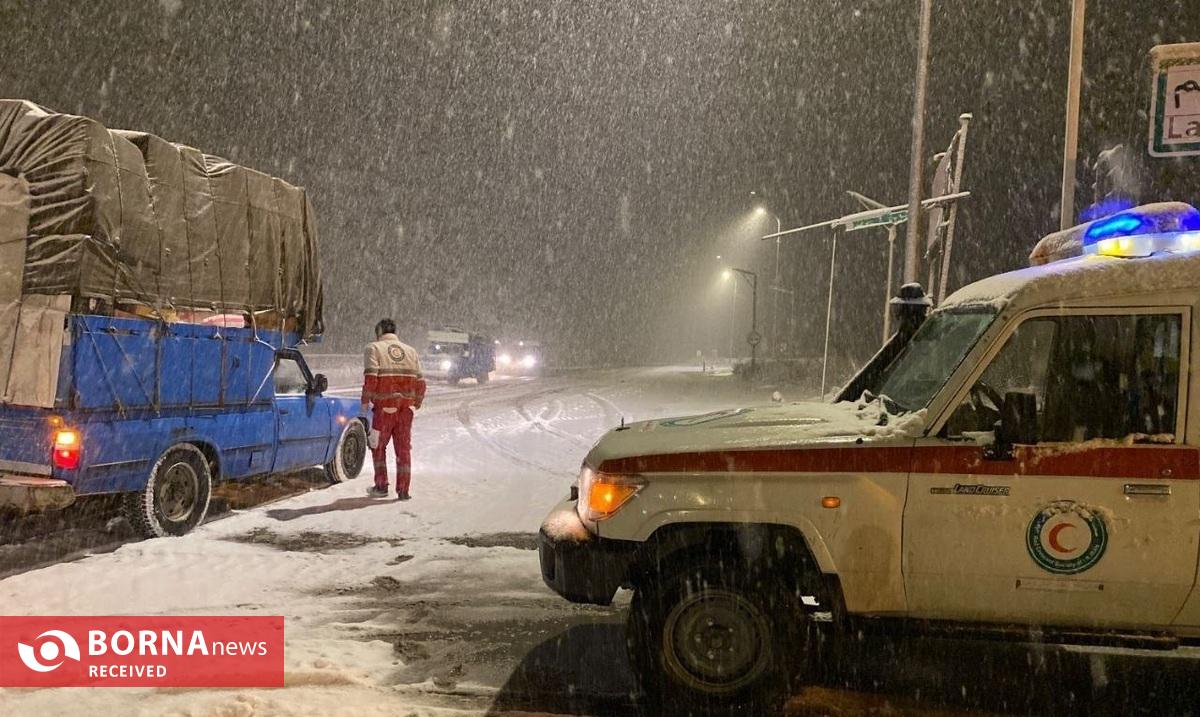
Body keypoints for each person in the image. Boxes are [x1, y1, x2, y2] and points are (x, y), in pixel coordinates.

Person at [362, 319, 426, 500]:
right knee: (403, 450)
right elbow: (421, 382)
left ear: (379, 332)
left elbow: (371, 378)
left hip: (384, 411)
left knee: (378, 447)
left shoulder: (373, 348)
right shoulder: (411, 351)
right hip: (405, 411)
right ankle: (404, 490)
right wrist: (417, 402)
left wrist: (365, 403)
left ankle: (381, 486)